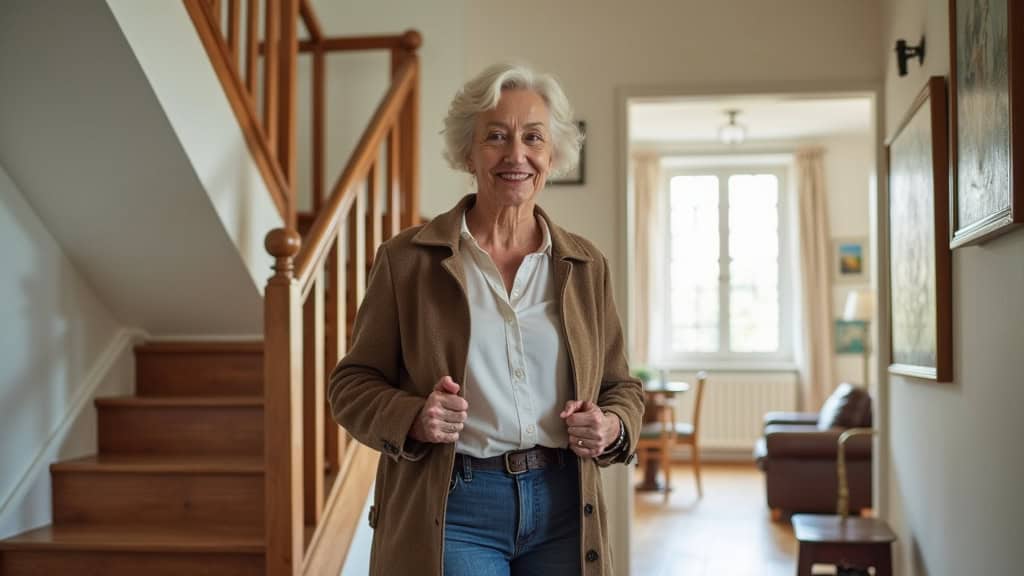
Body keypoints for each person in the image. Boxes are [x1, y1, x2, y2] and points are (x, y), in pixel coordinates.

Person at [327, 62, 644, 576]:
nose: (516, 154)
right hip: (454, 508)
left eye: (533, 138)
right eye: (496, 136)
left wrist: (611, 426)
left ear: (552, 155)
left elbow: (620, 387)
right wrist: (413, 417)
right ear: (468, 153)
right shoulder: (407, 260)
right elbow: (350, 385)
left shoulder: (586, 265)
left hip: (566, 504)